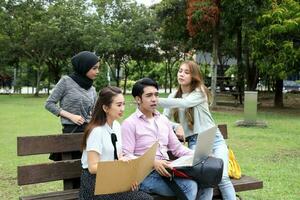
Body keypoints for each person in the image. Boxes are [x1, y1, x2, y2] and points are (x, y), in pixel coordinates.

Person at [121, 78, 210, 200]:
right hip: (145, 175)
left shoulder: (163, 120)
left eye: (156, 95)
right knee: (189, 186)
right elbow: (127, 156)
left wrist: (199, 154)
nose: (154, 99)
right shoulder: (130, 124)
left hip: (167, 170)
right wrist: (152, 162)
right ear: (138, 99)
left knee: (206, 182)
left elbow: (177, 149)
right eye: (149, 95)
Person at [159, 60, 236, 200]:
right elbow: (164, 119)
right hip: (195, 142)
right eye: (180, 71)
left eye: (186, 72)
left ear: (194, 76)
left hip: (214, 138)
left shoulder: (200, 92)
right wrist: (176, 126)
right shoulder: (172, 97)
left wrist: (154, 100)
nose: (181, 74)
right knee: (205, 180)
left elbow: (185, 103)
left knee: (223, 177)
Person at [80, 86, 153, 200]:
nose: (122, 108)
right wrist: (117, 166)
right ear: (105, 108)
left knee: (144, 197)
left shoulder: (117, 126)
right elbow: (92, 167)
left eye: (124, 104)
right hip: (94, 184)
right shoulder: (96, 131)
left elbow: (119, 157)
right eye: (119, 105)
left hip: (112, 178)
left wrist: (128, 179)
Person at [45, 51, 100, 161]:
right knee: (70, 171)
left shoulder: (92, 89)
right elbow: (49, 104)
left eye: (98, 68)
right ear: (84, 67)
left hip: (89, 133)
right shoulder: (66, 81)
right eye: (94, 68)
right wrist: (71, 116)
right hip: (71, 132)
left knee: (87, 168)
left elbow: (94, 111)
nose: (97, 71)